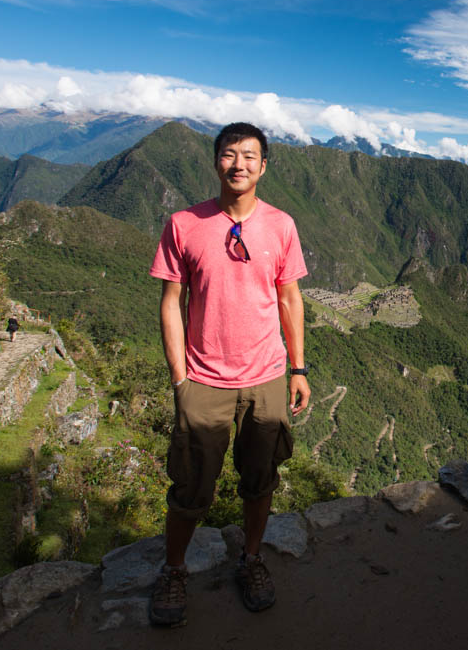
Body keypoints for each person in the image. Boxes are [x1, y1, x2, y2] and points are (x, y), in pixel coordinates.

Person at [147, 122, 310, 628]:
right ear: (216, 161)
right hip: (204, 380)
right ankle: (174, 570)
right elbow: (171, 302)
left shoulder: (281, 225)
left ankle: (251, 558)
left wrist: (297, 367)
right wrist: (180, 379)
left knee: (261, 480)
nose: (238, 164)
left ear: (264, 166)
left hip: (265, 377)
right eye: (229, 154)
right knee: (192, 486)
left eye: (249, 156)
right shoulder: (184, 224)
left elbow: (289, 297)